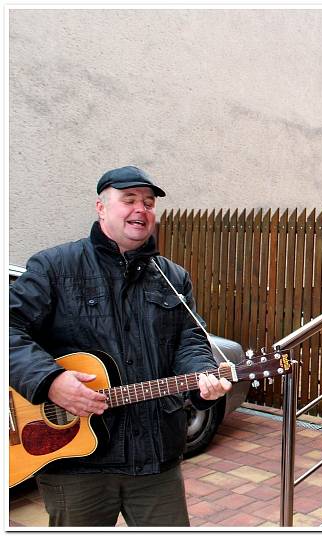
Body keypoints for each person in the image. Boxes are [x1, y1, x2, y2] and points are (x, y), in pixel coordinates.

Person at [9, 165, 232, 526]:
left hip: (156, 459)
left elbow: (190, 340)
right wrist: (50, 381)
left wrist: (200, 379)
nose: (140, 210)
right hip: (77, 466)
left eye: (148, 202)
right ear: (101, 208)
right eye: (128, 200)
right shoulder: (55, 267)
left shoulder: (173, 277)